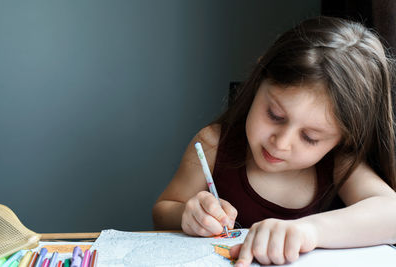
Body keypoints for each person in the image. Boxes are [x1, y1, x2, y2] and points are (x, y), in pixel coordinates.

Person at [152, 16, 396, 266]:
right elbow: (162, 211)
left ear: (344, 138)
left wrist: (308, 231)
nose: (281, 143)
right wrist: (188, 214)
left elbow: (392, 215)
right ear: (258, 79)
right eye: (275, 115)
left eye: (310, 138)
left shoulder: (339, 164)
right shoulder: (213, 145)